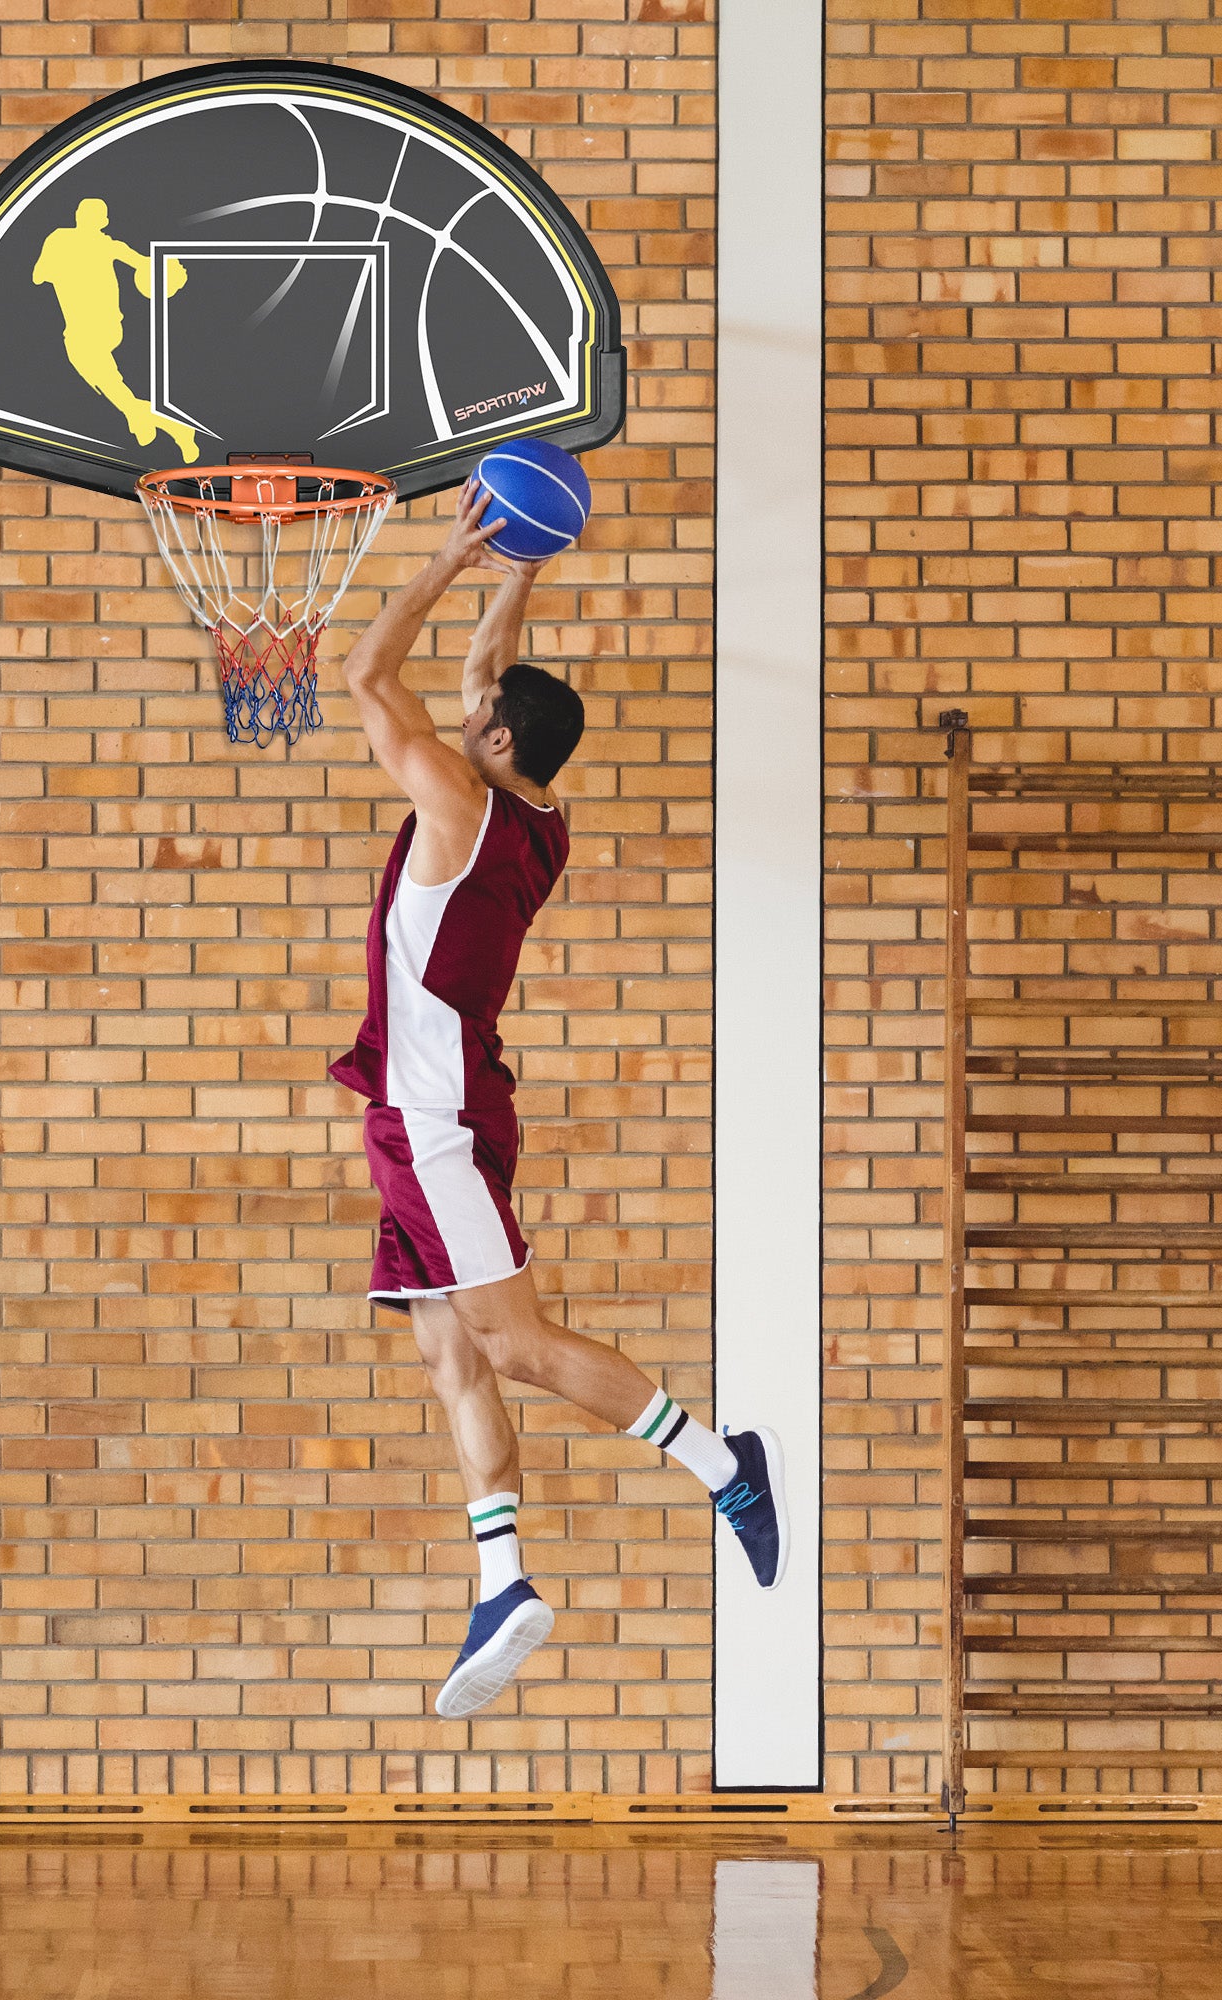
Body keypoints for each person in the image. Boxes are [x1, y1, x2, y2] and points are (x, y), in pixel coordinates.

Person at [331, 482, 788, 1721]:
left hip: (431, 1119)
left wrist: (444, 554)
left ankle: (719, 1462)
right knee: (446, 1347)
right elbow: (487, 669)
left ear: (488, 739)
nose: (467, 705)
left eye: (477, 711)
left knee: (514, 1342)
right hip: (429, 1109)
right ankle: (500, 1579)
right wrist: (518, 565)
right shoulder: (532, 815)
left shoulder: (456, 798)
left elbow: (367, 674)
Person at [32, 197, 200, 462]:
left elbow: (39, 275)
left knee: (100, 376)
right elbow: (143, 262)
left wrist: (172, 274)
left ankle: (169, 426)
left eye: (89, 214)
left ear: (99, 221)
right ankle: (145, 421)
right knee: (106, 381)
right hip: (102, 326)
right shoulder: (102, 245)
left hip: (91, 327)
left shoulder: (64, 240)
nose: (85, 217)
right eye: (84, 212)